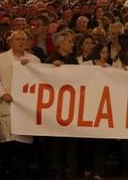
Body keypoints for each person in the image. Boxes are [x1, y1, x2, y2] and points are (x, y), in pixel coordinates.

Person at [0, 30, 39, 180]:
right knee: (8, 145)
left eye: (24, 39)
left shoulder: (34, 60)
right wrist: (3, 93)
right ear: (10, 41)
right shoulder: (0, 59)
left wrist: (29, 67)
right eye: (17, 39)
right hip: (7, 105)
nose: (21, 42)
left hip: (26, 108)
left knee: (24, 147)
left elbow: (41, 78)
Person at [45, 31, 78, 180]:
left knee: (72, 146)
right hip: (54, 111)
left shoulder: (74, 61)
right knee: (56, 146)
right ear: (61, 44)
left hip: (72, 109)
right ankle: (58, 173)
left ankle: (70, 174)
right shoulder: (49, 60)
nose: (73, 44)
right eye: (70, 42)